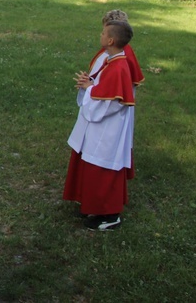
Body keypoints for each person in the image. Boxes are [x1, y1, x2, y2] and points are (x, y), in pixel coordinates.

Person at [63, 20, 136, 231]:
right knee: (94, 165)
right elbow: (103, 88)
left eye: (103, 33)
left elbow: (111, 102)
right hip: (101, 128)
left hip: (108, 130)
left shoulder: (119, 67)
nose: (100, 35)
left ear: (111, 40)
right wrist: (90, 85)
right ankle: (96, 207)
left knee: (104, 168)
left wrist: (90, 89)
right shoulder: (112, 62)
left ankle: (111, 214)